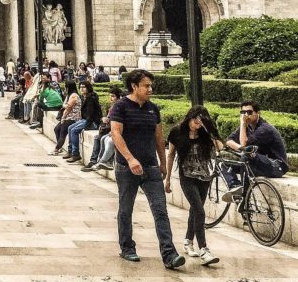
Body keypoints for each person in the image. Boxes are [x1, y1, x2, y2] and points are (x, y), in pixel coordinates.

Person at [109, 69, 184, 269]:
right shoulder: (120, 107)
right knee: (126, 209)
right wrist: (130, 159)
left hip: (150, 167)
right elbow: (116, 134)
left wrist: (163, 162)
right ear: (134, 86)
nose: (150, 89)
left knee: (161, 211)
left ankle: (169, 254)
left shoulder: (153, 109)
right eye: (146, 86)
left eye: (150, 85)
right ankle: (127, 247)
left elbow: (159, 138)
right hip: (127, 168)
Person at [166, 107, 222, 265]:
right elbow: (170, 155)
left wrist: (209, 129)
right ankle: (204, 249)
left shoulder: (205, 133)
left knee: (195, 210)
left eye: (200, 123)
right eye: (195, 121)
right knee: (199, 210)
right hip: (187, 176)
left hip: (205, 177)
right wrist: (168, 178)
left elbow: (220, 148)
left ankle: (188, 241)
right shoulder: (177, 131)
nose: (196, 125)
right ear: (189, 117)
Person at [222, 99, 288, 199]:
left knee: (246, 155)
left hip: (277, 166)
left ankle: (244, 196)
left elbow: (244, 143)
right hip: (259, 163)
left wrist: (242, 123)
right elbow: (228, 141)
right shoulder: (247, 127)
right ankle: (235, 187)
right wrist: (241, 148)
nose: (246, 115)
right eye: (243, 112)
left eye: (249, 112)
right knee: (224, 163)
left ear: (257, 113)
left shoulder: (265, 128)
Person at [81, 88, 121, 171]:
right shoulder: (111, 107)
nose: (111, 98)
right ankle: (96, 161)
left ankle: (101, 161)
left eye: (113, 96)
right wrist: (104, 119)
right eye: (110, 96)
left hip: (112, 130)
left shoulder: (118, 107)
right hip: (108, 129)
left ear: (118, 97)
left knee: (103, 138)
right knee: (99, 138)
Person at [64, 81, 102, 163]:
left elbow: (90, 115)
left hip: (92, 122)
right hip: (85, 120)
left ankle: (76, 154)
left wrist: (86, 126)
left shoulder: (91, 98)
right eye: (80, 87)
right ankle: (70, 151)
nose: (81, 89)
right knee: (70, 128)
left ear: (88, 88)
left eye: (84, 87)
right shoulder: (83, 97)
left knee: (74, 130)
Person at [51, 82, 81, 154]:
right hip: (67, 117)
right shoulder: (69, 95)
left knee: (62, 133)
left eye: (66, 87)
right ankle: (59, 146)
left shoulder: (74, 96)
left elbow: (68, 107)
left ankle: (56, 149)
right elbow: (65, 105)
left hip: (72, 118)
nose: (65, 89)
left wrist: (63, 118)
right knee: (56, 129)